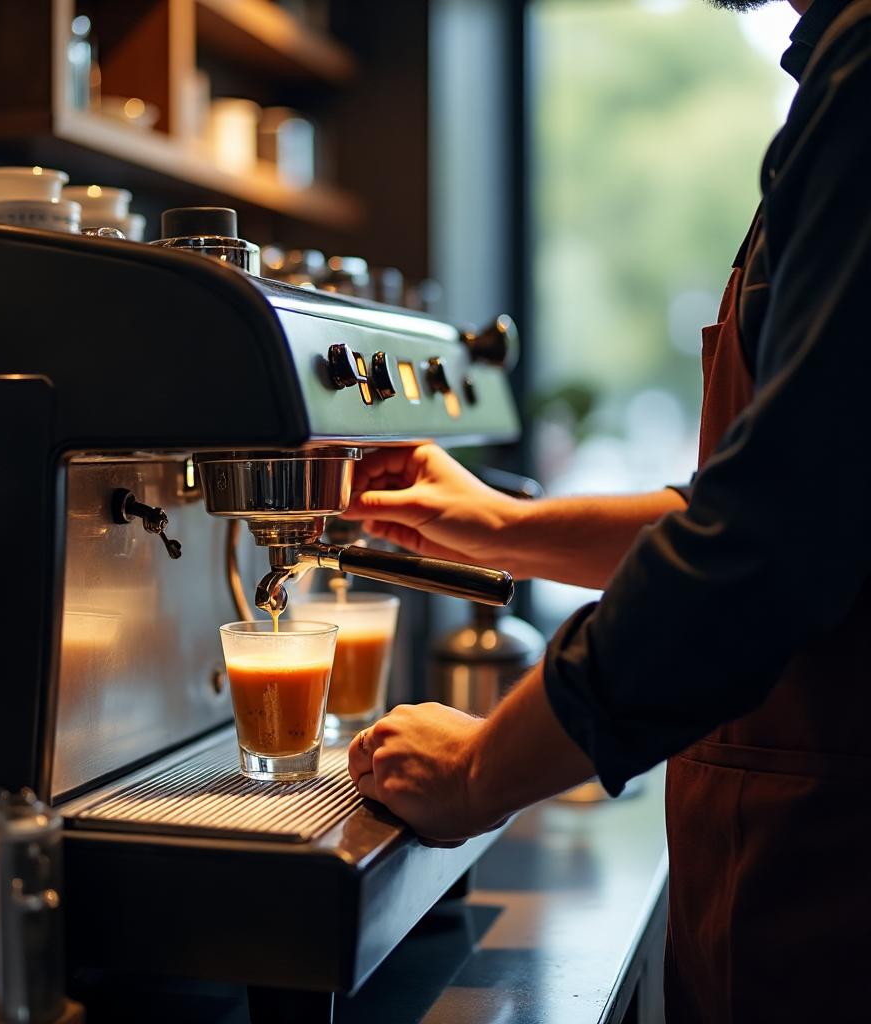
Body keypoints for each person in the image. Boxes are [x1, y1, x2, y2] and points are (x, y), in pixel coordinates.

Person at [344, 0, 871, 1020]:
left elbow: (769, 535)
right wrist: (495, 526)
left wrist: (479, 772)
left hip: (834, 899)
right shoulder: (831, 81)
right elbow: (784, 492)